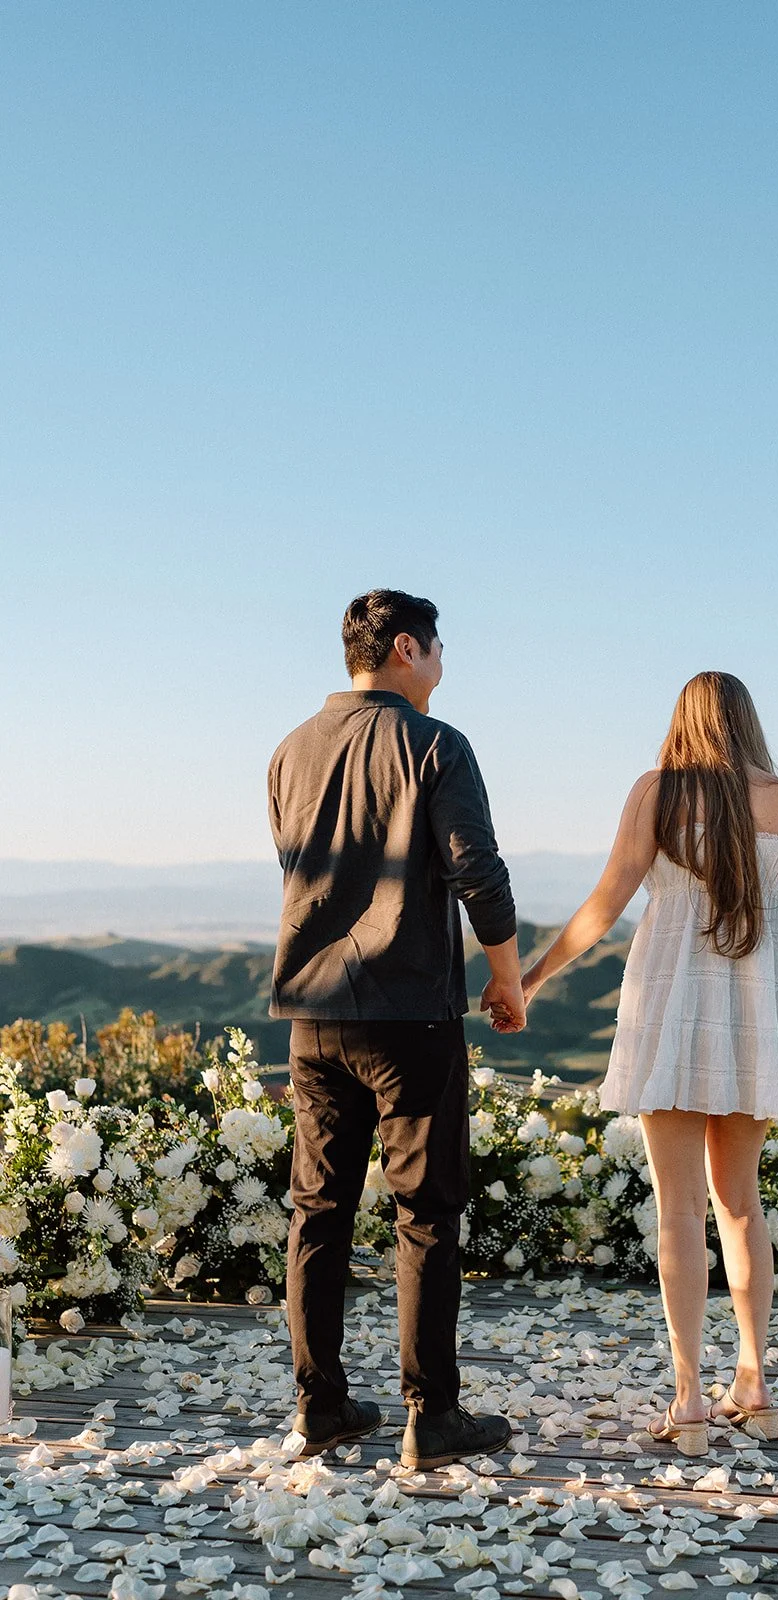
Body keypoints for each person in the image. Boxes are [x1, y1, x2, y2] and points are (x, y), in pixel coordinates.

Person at [520, 671, 778, 1456]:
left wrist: (530, 977)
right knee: (741, 1206)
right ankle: (753, 1384)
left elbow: (605, 903)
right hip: (754, 1021)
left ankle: (688, 1398)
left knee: (679, 1213)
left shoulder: (656, 792)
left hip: (672, 1016)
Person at [268, 588, 526, 1466]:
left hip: (312, 1014)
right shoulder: (435, 744)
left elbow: (298, 868)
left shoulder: (290, 750)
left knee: (318, 1211)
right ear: (407, 648)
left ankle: (319, 1406)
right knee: (425, 1214)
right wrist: (505, 976)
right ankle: (431, 1416)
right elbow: (476, 871)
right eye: (438, 647)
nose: (443, 663)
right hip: (409, 1011)